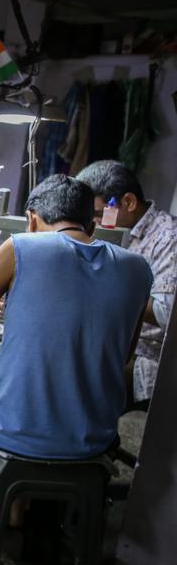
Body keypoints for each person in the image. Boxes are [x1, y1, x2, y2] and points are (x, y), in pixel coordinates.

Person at [0, 175, 151, 460]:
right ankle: (25, 499)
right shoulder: (138, 269)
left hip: (12, 433)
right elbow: (124, 353)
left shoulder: (19, 248)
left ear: (31, 220)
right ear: (92, 227)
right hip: (94, 438)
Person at [74, 160, 175, 402]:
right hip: (101, 346)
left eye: (97, 215)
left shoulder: (167, 238)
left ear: (128, 202)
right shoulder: (102, 232)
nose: (92, 224)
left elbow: (166, 312)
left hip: (142, 359)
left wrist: (114, 288)